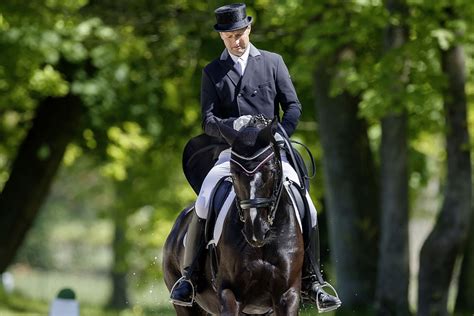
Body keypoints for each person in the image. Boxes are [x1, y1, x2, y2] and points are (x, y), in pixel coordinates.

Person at [170, 3, 341, 312]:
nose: (236, 41)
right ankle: (190, 276)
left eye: (239, 34)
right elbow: (207, 119)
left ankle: (313, 280)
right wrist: (228, 128)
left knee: (309, 206)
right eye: (229, 37)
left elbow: (293, 106)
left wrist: (281, 133)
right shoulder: (213, 72)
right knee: (205, 199)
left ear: (248, 29)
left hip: (270, 152)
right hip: (231, 153)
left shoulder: (273, 63)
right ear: (222, 37)